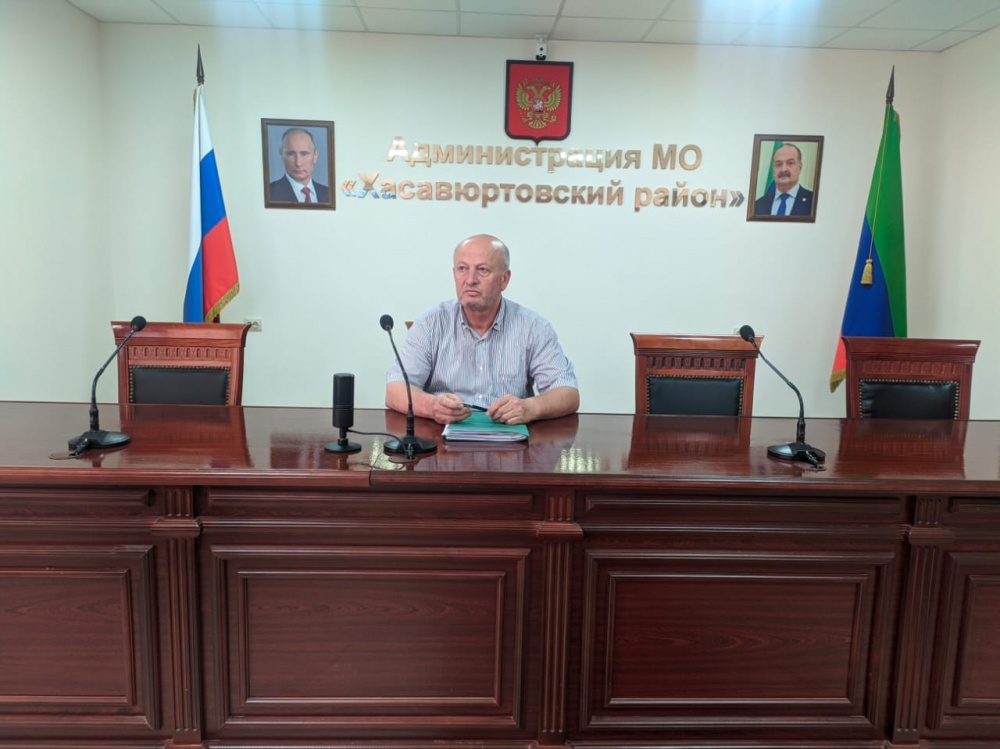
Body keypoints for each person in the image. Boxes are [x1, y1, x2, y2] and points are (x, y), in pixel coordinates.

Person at [386, 234, 579, 426]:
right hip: (441, 435)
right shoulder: (430, 324)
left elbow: (568, 392)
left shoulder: (533, 327)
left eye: (483, 270)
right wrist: (432, 406)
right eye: (462, 269)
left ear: (504, 279)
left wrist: (530, 408)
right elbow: (395, 390)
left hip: (510, 437)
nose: (470, 280)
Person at [268, 127, 329, 204]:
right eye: (291, 154)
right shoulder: (269, 193)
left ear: (315, 155)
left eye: (304, 154)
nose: (298, 163)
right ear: (281, 155)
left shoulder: (328, 193)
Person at [752, 143, 814, 217]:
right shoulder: (758, 205)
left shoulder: (813, 201)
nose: (783, 169)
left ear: (800, 168)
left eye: (790, 163)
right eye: (778, 164)